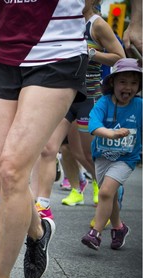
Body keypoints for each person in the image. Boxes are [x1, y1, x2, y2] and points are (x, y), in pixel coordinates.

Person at [0, 1, 90, 278]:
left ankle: (0, 275)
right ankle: (38, 231)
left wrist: (136, 19)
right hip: (5, 58)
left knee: (12, 170)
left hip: (56, 52)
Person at [31, 0, 125, 221]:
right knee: (48, 148)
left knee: (85, 155)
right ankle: (43, 204)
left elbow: (119, 56)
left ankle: (110, 192)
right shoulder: (62, 22)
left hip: (90, 97)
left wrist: (90, 53)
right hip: (63, 93)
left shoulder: (96, 24)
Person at [81, 58, 142, 251]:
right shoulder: (104, 102)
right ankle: (119, 228)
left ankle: (95, 234)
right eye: (123, 81)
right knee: (111, 196)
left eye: (134, 83)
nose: (128, 87)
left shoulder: (140, 105)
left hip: (126, 158)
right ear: (112, 83)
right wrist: (112, 133)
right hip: (102, 156)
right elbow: (93, 124)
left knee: (106, 192)